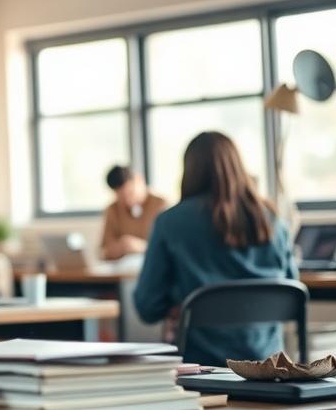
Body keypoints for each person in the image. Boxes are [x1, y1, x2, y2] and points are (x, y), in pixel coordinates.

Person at [132, 132, 296, 367]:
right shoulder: (272, 219)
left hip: (202, 370)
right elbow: (290, 295)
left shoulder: (170, 222)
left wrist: (179, 305)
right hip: (269, 368)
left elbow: (147, 306)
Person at [100, 165, 167, 260]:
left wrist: (142, 247)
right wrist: (120, 247)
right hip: (122, 266)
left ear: (139, 180)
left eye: (130, 193)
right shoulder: (113, 210)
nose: (127, 201)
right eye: (121, 197)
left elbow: (169, 247)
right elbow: (103, 251)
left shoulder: (161, 205)